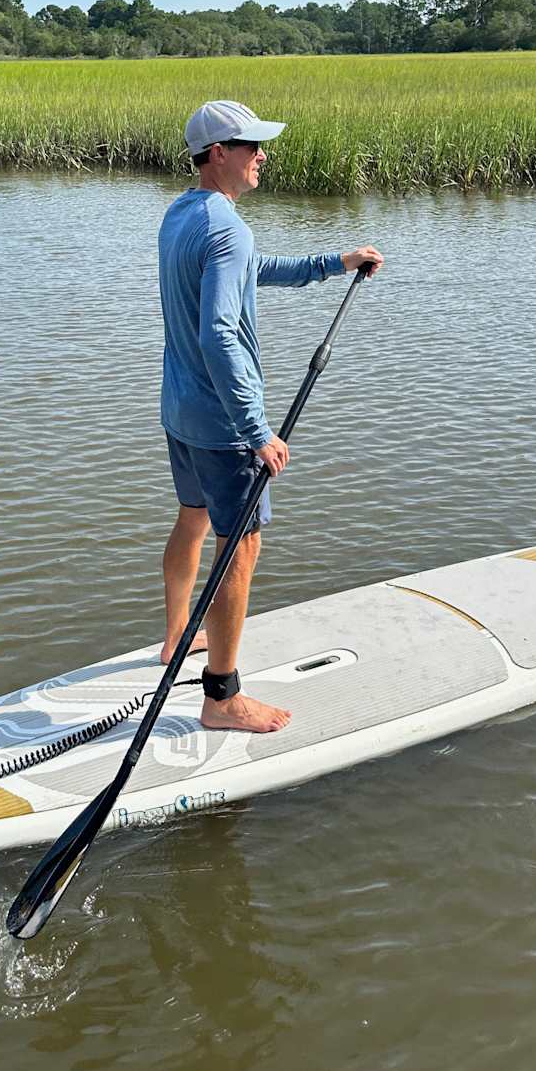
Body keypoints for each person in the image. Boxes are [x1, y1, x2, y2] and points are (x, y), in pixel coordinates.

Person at [157, 99, 383, 734]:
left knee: (193, 520)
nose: (263, 155)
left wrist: (332, 263)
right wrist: (257, 430)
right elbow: (221, 333)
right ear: (219, 153)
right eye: (252, 145)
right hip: (226, 426)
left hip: (181, 411)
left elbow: (250, 273)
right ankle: (222, 697)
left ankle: (176, 639)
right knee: (240, 547)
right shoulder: (227, 226)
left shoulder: (183, 214)